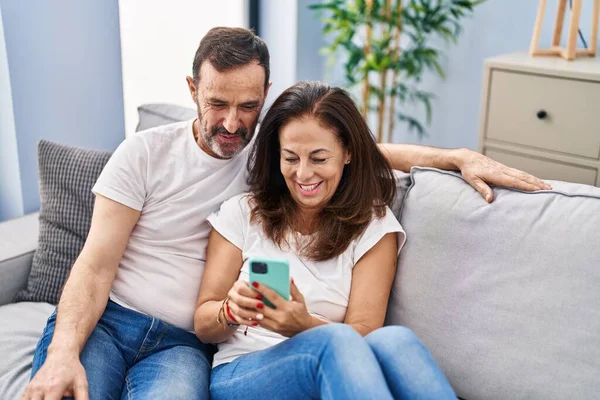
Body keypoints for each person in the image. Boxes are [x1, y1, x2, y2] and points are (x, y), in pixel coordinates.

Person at [22, 27, 550, 400]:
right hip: (118, 322)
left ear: (264, 97)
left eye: (248, 106)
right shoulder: (159, 160)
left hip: (181, 347)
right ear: (192, 91)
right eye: (217, 104)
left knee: (394, 341)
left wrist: (454, 156)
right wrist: (64, 352)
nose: (232, 123)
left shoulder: (268, 151)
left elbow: (359, 148)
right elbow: (93, 265)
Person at [194, 80, 456, 400]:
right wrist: (230, 311)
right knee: (336, 341)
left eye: (318, 158)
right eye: (291, 158)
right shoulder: (243, 212)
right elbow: (203, 323)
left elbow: (364, 335)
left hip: (335, 366)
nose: (303, 175)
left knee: (396, 341)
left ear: (347, 153)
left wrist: (301, 324)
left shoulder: (373, 225)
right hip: (243, 372)